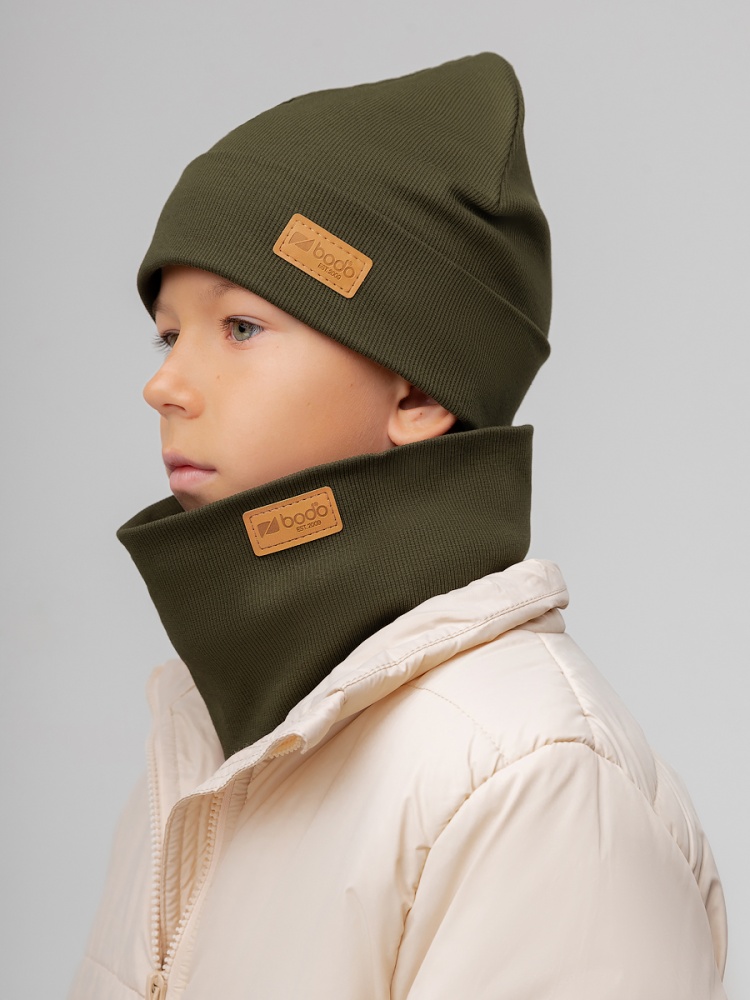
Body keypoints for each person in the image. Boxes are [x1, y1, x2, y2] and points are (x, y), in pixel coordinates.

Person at [68, 52, 728, 999]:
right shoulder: (212, 741)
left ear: (417, 389)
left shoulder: (530, 778)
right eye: (169, 333)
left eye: (241, 327)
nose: (164, 384)